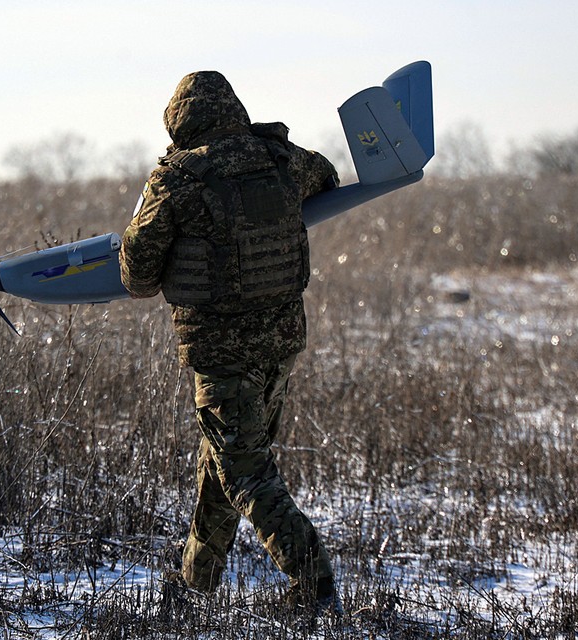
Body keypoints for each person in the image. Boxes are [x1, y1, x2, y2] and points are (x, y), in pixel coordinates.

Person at [119, 71, 340, 613]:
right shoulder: (284, 159)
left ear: (179, 120)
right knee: (223, 461)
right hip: (282, 343)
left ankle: (314, 584)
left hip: (221, 352)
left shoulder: (175, 179)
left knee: (242, 471)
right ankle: (196, 582)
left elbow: (138, 276)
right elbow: (330, 177)